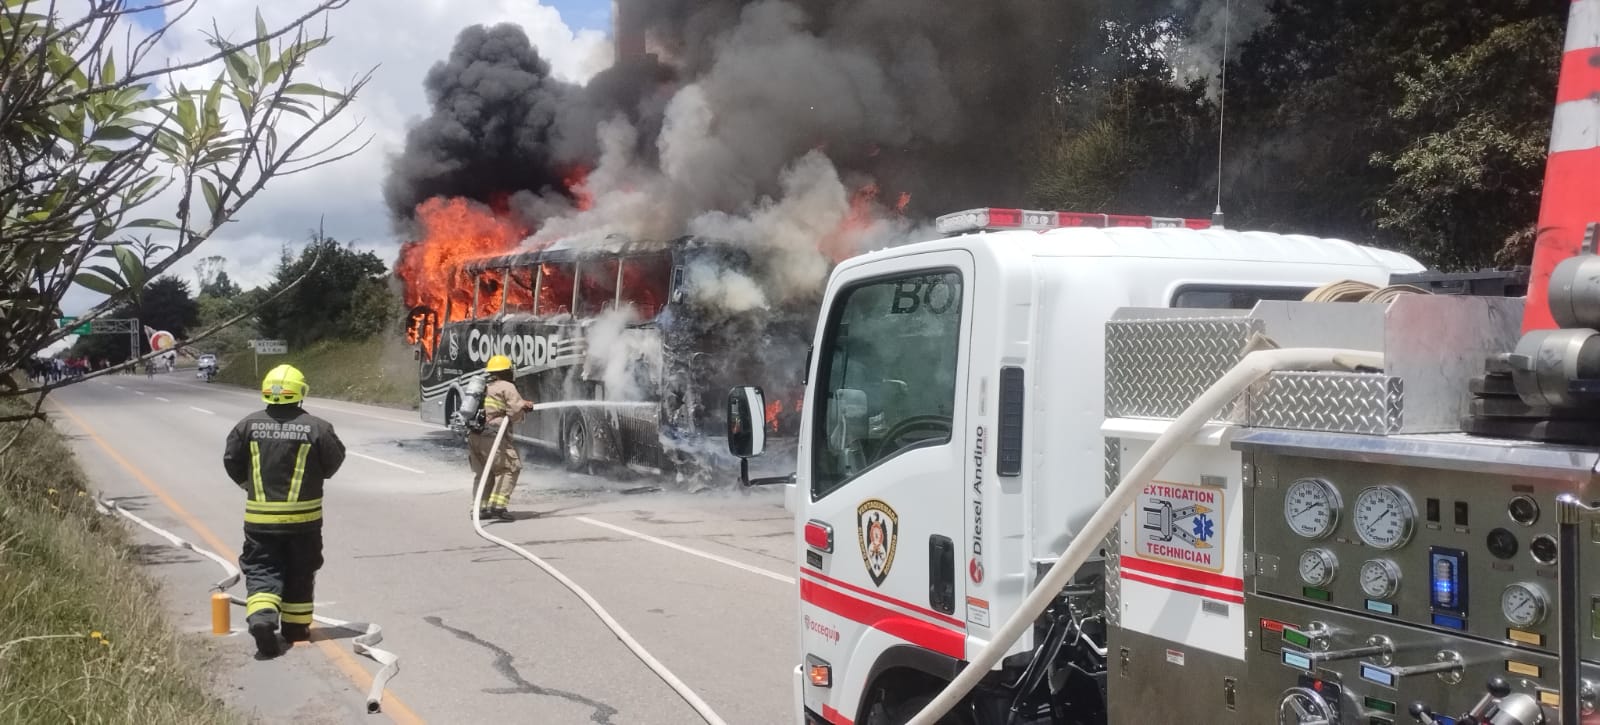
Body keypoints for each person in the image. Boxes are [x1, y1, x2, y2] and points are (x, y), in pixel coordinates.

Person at [222, 364, 346, 657]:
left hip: (259, 520)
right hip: (305, 520)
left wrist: (247, 484)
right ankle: (295, 629)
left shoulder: (246, 426)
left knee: (262, 568)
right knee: (301, 570)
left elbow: (231, 461)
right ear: (301, 393)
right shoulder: (319, 427)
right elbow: (333, 463)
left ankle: (263, 619)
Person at [469, 355, 533, 521]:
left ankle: (480, 509)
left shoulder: (483, 386)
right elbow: (514, 413)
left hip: (475, 436)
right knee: (509, 468)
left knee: (484, 473)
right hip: (492, 438)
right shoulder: (507, 386)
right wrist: (525, 407)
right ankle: (498, 507)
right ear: (506, 371)